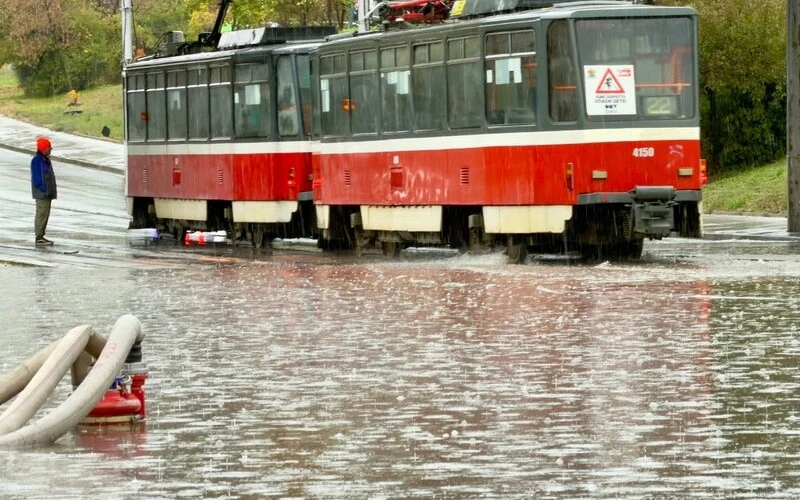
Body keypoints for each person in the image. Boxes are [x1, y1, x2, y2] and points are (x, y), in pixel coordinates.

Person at [30, 136, 57, 245]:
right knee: (41, 214)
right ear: (43, 148)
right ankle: (39, 237)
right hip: (42, 194)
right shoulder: (38, 160)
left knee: (44, 214)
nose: (50, 149)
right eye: (49, 147)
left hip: (46, 193)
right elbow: (37, 178)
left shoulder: (45, 160)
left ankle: (41, 236)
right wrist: (43, 189)